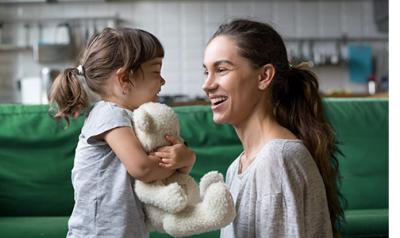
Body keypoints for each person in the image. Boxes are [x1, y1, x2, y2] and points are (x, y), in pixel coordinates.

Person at [202, 19, 344, 238]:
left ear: (264, 76)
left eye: (221, 69)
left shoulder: (277, 159)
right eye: (206, 72)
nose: (207, 85)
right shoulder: (237, 168)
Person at [49, 27, 196, 238]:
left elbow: (157, 171)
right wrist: (180, 160)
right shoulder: (109, 114)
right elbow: (143, 168)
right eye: (156, 71)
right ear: (125, 79)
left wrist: (185, 159)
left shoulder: (132, 118)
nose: (162, 81)